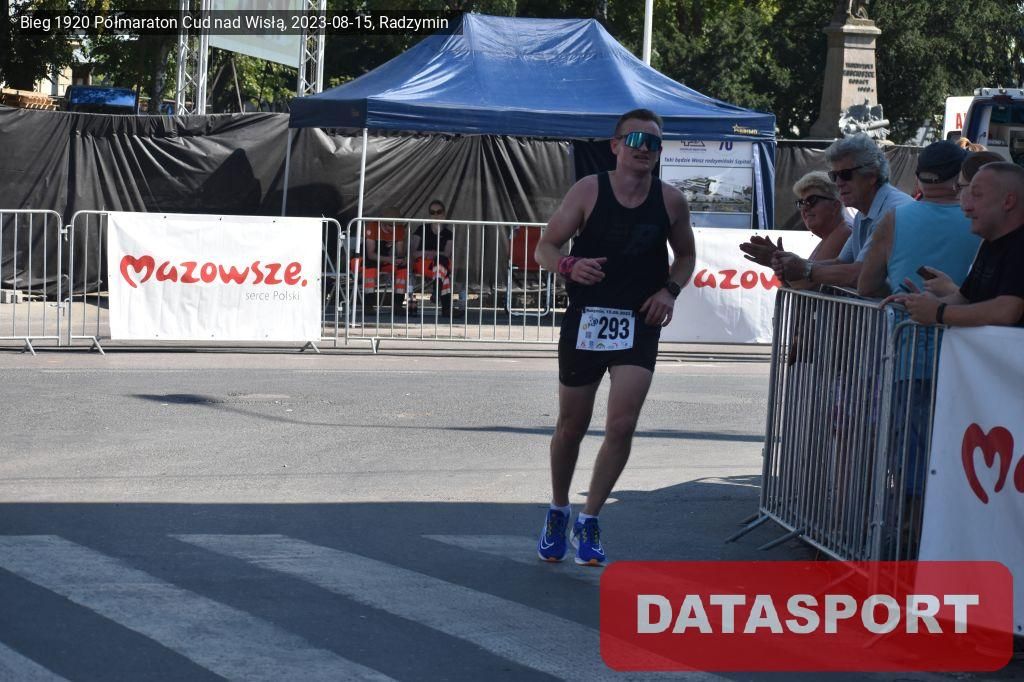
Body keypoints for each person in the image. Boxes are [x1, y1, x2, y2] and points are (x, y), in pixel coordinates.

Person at [533, 109, 695, 566]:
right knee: (572, 425)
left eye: (654, 143)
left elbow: (686, 256)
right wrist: (568, 265)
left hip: (639, 321)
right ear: (616, 145)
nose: (645, 149)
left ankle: (590, 518)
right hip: (587, 319)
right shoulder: (589, 190)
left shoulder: (671, 200)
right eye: (637, 140)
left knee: (622, 424)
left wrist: (669, 291)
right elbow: (545, 247)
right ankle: (559, 508)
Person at [884, 162, 1024, 327]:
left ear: (1008, 202)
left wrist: (939, 312)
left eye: (977, 195)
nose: (965, 206)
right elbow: (965, 299)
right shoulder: (990, 243)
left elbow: (1007, 310)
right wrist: (920, 303)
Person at [772, 133, 913, 288]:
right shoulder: (863, 214)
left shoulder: (891, 210)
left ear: (871, 175)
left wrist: (805, 269)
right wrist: (791, 263)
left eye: (846, 175)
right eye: (834, 176)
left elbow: (860, 274)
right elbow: (841, 262)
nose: (838, 183)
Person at [858, 140, 980, 298]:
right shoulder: (981, 219)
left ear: (917, 177)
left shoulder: (892, 219)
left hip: (905, 312)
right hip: (969, 313)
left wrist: (901, 294)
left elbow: (867, 287)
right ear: (960, 176)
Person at [739, 171, 851, 287]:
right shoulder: (832, 234)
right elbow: (802, 285)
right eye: (801, 203)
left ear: (835, 206)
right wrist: (779, 263)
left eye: (812, 201)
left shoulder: (844, 232)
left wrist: (779, 262)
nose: (804, 208)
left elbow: (804, 284)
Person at [405, 200, 462, 318]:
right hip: (423, 264)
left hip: (439, 266)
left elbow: (447, 253)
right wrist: (427, 252)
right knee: (444, 272)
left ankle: (438, 294)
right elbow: (412, 252)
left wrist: (434, 254)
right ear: (429, 214)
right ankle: (445, 307)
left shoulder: (448, 233)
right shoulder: (421, 229)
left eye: (439, 212)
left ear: (444, 213)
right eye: (432, 212)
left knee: (442, 264)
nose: (436, 215)